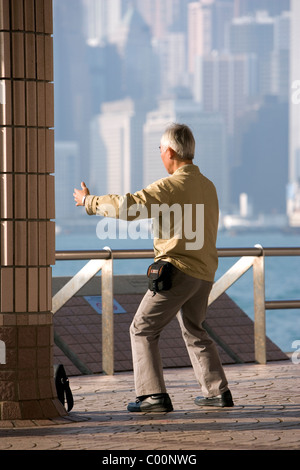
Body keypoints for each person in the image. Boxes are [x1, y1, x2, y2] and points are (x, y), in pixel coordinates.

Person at [73, 123, 233, 412]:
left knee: (142, 328)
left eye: (160, 150)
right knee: (195, 330)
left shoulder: (169, 186)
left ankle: (152, 396)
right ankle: (217, 392)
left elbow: (127, 206)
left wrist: (89, 201)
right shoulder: (208, 186)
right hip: (205, 272)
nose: (160, 154)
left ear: (170, 151)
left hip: (178, 270)